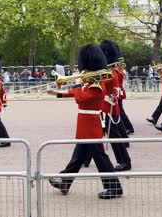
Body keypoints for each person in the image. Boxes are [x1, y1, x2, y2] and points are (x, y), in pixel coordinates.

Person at [46, 44, 123, 199]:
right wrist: (58, 93)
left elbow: (81, 97)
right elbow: (76, 92)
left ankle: (114, 187)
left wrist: (80, 84)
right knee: (78, 157)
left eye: (85, 71)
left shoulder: (97, 86)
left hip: (91, 125)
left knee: (100, 158)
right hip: (85, 124)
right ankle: (65, 182)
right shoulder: (90, 84)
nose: (82, 73)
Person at [99, 40, 132, 171]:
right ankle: (85, 157)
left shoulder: (111, 73)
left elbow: (101, 87)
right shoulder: (111, 71)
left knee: (114, 136)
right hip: (107, 106)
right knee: (98, 134)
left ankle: (125, 161)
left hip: (109, 107)